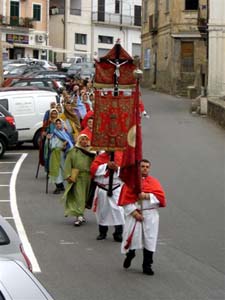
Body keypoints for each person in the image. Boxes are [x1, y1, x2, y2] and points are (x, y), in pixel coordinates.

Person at [118, 159, 166, 275]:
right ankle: (130, 254)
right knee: (133, 238)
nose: (145, 168)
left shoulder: (154, 182)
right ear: (138, 168)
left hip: (150, 215)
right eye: (142, 166)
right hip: (135, 214)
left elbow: (160, 197)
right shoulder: (131, 182)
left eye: (147, 167)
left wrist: (147, 196)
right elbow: (125, 201)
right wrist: (135, 213)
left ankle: (147, 265)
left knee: (150, 239)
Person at [90, 151, 125, 242]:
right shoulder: (100, 157)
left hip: (116, 187)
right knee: (102, 211)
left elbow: (126, 172)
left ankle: (118, 233)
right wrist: (106, 166)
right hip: (103, 188)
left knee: (118, 211)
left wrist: (117, 168)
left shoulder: (121, 156)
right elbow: (93, 169)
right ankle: (102, 232)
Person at [62, 134, 96, 226]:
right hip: (78, 177)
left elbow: (97, 162)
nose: (84, 141)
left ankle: (81, 213)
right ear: (79, 141)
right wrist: (68, 175)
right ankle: (79, 216)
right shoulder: (73, 151)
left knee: (85, 197)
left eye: (86, 139)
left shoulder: (92, 151)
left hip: (89, 177)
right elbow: (68, 163)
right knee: (79, 196)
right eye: (82, 139)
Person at [49, 118, 74, 194]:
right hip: (55, 154)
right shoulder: (54, 134)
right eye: (57, 124)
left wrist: (65, 147)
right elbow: (51, 145)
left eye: (60, 123)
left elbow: (70, 144)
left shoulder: (65, 134)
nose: (58, 125)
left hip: (64, 154)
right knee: (56, 170)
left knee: (64, 170)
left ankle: (64, 185)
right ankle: (58, 186)